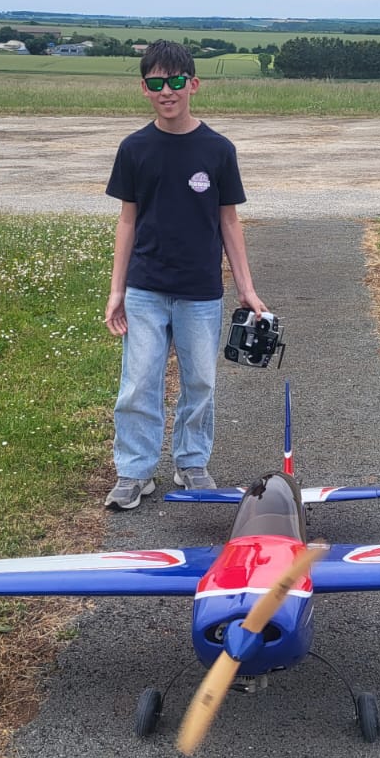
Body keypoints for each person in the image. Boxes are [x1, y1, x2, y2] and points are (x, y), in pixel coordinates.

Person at [102, 40, 266, 509]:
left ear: (194, 84)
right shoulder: (134, 149)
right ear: (144, 89)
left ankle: (191, 463)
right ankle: (135, 472)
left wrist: (247, 288)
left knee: (200, 383)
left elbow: (228, 221)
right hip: (145, 289)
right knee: (139, 382)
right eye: (156, 83)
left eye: (175, 81)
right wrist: (116, 291)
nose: (166, 91)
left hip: (200, 292)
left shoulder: (218, 150)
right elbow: (127, 221)